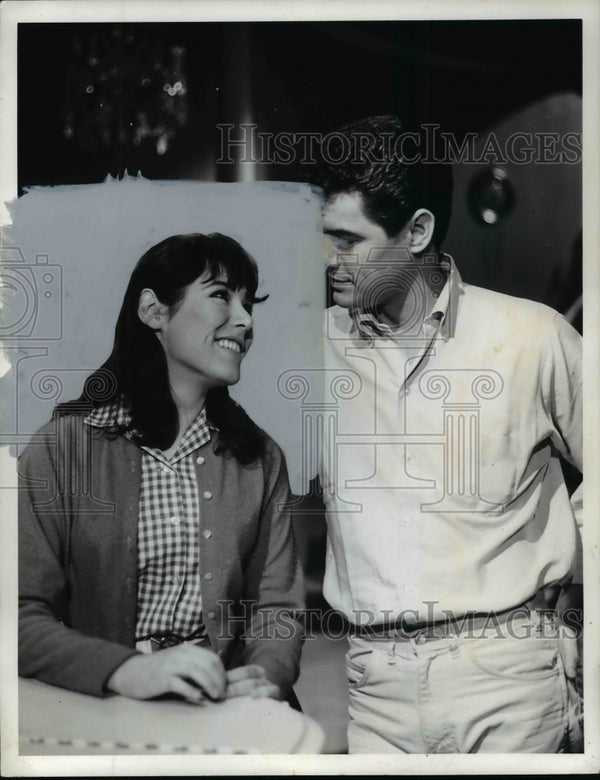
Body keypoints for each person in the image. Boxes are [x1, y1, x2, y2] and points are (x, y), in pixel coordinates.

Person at [312, 115, 583, 753]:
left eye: (347, 241)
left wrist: (578, 605)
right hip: (373, 690)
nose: (329, 261)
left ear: (419, 231)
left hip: (511, 681)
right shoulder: (306, 351)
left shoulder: (532, 338)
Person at [18, 232, 304, 706]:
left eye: (248, 303)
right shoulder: (59, 450)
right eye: (220, 295)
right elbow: (18, 614)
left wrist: (265, 675)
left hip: (229, 711)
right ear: (153, 311)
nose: (246, 319)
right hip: (101, 711)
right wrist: (127, 670)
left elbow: (277, 607)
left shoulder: (261, 459)